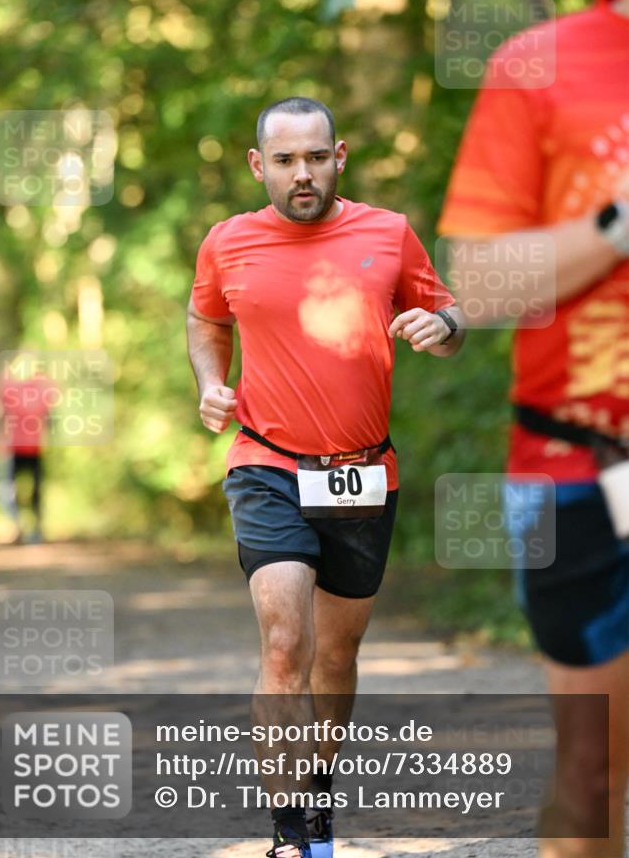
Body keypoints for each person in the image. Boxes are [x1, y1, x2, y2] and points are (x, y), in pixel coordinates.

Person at [187, 96, 464, 858]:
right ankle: (288, 835)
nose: (300, 173)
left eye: (314, 157)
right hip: (265, 462)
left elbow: (447, 321)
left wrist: (441, 328)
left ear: (339, 155)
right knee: (284, 642)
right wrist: (211, 381)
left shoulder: (387, 232)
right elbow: (203, 318)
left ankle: (315, 792)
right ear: (258, 165)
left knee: (336, 656)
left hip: (363, 474)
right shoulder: (227, 243)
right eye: (284, 160)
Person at [437, 0, 629, 855]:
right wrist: (618, 221)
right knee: (594, 775)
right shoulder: (536, 64)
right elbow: (475, 288)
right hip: (578, 465)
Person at [0, 354, 54, 544]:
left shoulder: (7, 382)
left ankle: (25, 526)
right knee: (17, 488)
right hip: (20, 446)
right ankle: (28, 527)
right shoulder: (42, 385)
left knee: (10, 488)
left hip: (22, 446)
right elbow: (51, 415)